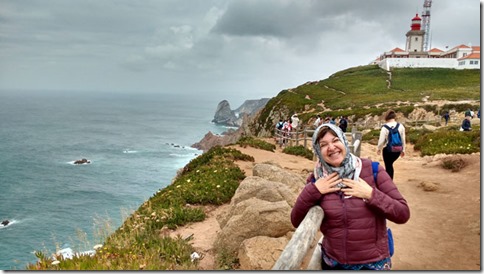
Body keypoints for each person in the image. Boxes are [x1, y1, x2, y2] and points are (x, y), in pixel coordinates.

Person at [291, 123, 410, 270]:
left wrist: (371, 194)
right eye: (323, 144)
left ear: (344, 141)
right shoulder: (317, 180)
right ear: (318, 151)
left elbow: (403, 213)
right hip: (334, 264)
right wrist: (314, 190)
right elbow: (296, 221)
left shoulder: (372, 170)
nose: (331, 147)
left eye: (335, 140)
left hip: (373, 264)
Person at [377, 110, 406, 179]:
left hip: (388, 150)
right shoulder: (401, 126)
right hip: (398, 150)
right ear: (394, 117)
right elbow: (403, 139)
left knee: (388, 166)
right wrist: (403, 150)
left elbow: (381, 141)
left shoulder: (385, 127)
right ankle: (390, 181)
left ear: (386, 117)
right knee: (390, 165)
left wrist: (379, 149)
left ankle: (389, 182)